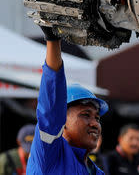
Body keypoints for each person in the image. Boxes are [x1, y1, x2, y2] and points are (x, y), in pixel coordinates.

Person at [27, 27, 109, 174]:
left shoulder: (96, 172)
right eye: (85, 114)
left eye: (97, 118)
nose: (95, 123)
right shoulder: (49, 154)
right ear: (62, 122)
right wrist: (53, 40)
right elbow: (51, 105)